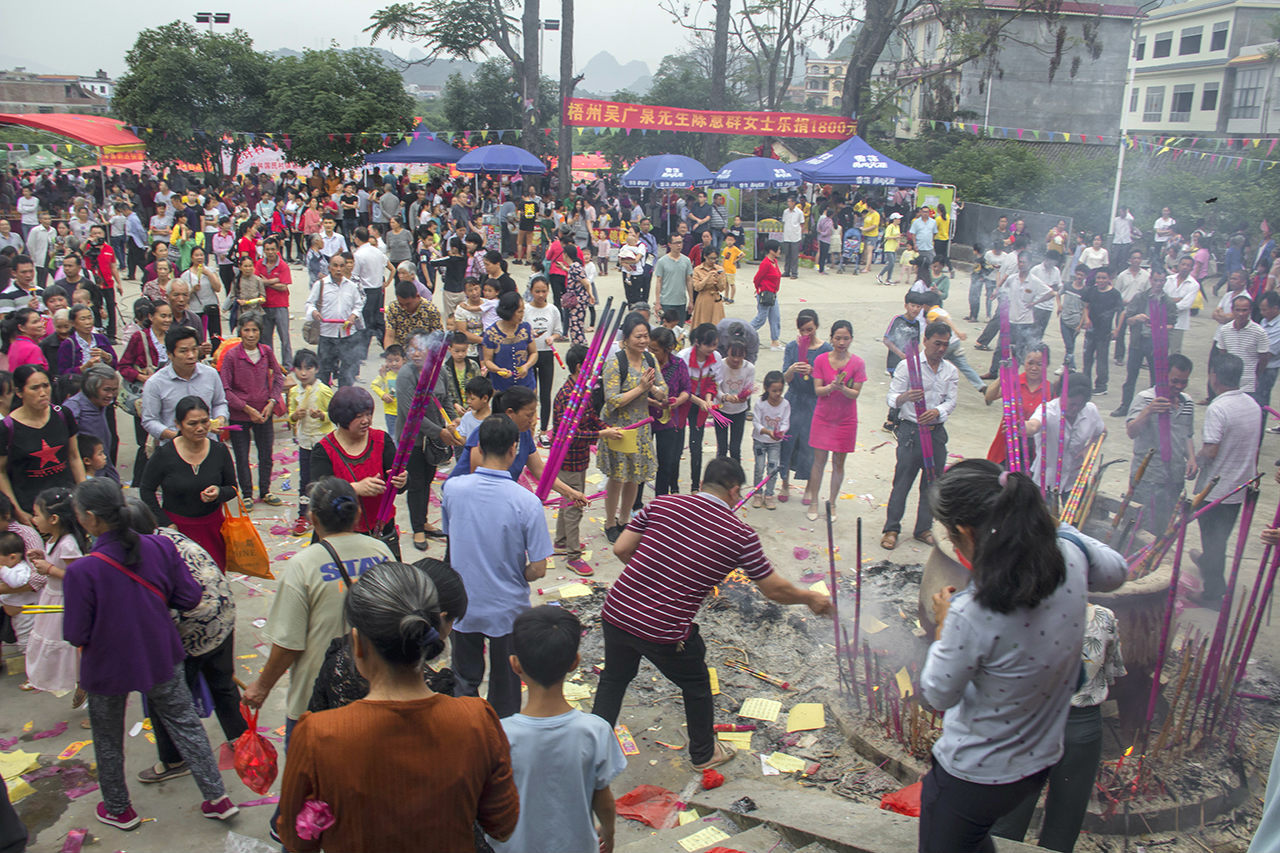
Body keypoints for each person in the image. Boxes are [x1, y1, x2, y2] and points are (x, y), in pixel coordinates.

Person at [919, 460, 1126, 853]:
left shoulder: (972, 609)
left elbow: (938, 695)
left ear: (964, 532)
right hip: (1039, 761)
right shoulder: (1069, 553)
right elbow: (1117, 572)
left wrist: (944, 626)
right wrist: (1055, 529)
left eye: (950, 532)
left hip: (973, 775)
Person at [592, 457, 832, 769]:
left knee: (613, 678)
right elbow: (773, 590)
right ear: (735, 491)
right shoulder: (740, 534)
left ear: (702, 484)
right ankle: (704, 753)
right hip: (662, 628)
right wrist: (809, 598)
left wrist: (656, 578)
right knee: (696, 683)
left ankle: (592, 748)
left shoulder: (662, 503)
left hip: (618, 610)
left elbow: (621, 549)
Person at [277, 560, 518, 852]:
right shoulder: (476, 719)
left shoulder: (317, 736)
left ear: (357, 644)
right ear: (434, 630)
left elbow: (296, 839)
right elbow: (502, 824)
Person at [64, 478, 238, 830]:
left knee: (108, 737)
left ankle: (118, 809)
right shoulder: (160, 547)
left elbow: (75, 633)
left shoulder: (83, 570)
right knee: (186, 723)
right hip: (160, 651)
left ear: (92, 519)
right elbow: (189, 597)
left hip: (106, 665)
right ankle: (218, 798)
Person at [241, 476, 396, 743]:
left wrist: (262, 687)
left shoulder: (303, 566)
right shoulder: (381, 552)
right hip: (375, 689)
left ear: (313, 519)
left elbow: (288, 643)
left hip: (318, 696)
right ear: (358, 513)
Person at [127, 497, 246, 785]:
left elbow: (167, 610)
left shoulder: (144, 556)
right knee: (223, 684)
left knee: (165, 698)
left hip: (194, 627)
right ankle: (240, 741)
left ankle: (173, 759)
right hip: (222, 614)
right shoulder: (170, 534)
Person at [442, 416, 554, 717]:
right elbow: (540, 568)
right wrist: (518, 574)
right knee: (505, 688)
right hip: (508, 608)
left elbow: (452, 535)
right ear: (513, 449)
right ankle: (501, 741)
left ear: (478, 447)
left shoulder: (453, 489)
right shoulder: (526, 501)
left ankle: (466, 735)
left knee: (464, 679)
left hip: (464, 603)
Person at [492, 606, 626, 853]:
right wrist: (609, 832)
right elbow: (602, 797)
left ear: (515, 665)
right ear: (575, 662)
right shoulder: (596, 730)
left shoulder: (498, 735)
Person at [880, 322, 958, 551]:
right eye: (937, 343)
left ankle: (923, 528)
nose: (941, 349)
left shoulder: (950, 370)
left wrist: (938, 412)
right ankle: (891, 528)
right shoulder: (907, 366)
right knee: (902, 482)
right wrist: (904, 397)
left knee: (932, 484)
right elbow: (891, 397)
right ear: (926, 340)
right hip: (911, 431)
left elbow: (951, 401)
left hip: (936, 433)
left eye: (945, 344)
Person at [140, 395, 238, 569]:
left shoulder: (219, 451)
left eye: (204, 422)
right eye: (192, 424)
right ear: (178, 424)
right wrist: (165, 523)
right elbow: (146, 490)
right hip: (177, 530)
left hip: (212, 528)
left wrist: (218, 492)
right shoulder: (164, 455)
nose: (200, 428)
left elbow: (232, 488)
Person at [1195, 353, 1262, 606]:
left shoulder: (1218, 408)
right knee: (1218, 538)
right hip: (1239, 487)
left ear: (1214, 376)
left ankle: (1213, 593)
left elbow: (1211, 450)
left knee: (1213, 541)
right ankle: (1205, 562)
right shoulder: (1253, 405)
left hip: (1215, 489)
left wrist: (1195, 461)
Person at [311, 387, 407, 557]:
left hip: (381, 528)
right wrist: (354, 488)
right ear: (342, 418)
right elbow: (318, 493)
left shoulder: (381, 440)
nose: (366, 421)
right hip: (341, 534)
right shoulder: (324, 450)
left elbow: (397, 485)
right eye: (358, 417)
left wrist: (401, 480)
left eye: (368, 414)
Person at [598, 315, 668, 543]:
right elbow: (612, 400)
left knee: (634, 477)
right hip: (619, 429)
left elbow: (662, 385)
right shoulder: (616, 362)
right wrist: (641, 389)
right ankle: (610, 521)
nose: (643, 340)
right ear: (626, 339)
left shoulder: (649, 358)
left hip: (640, 428)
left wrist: (657, 391)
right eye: (638, 336)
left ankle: (624, 520)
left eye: (646, 336)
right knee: (618, 477)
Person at [0, 365, 86, 522]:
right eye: (34, 388)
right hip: (31, 510)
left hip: (67, 503)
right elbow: (1, 472)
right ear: (20, 392)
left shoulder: (63, 415)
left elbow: (74, 457)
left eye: (46, 386)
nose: (43, 393)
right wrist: (17, 510)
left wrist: (83, 495)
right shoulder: (7, 428)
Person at [1125, 353, 1196, 536]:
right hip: (1148, 476)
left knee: (1167, 527)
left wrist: (1192, 459)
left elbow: (1187, 434)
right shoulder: (1145, 398)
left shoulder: (1187, 402)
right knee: (1142, 529)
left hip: (1174, 477)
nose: (1179, 387)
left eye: (1184, 382)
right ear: (1163, 377)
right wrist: (1148, 412)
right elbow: (1131, 431)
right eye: (1175, 381)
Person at [220, 312, 285, 506]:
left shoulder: (266, 352)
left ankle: (265, 491)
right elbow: (225, 388)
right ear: (240, 331)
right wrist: (246, 408)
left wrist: (272, 402)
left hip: (264, 413)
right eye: (246, 330)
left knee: (266, 453)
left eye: (254, 330)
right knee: (241, 455)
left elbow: (279, 377)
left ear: (260, 332)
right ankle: (247, 493)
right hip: (240, 414)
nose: (250, 334)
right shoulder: (231, 356)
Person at [806, 320, 866, 520]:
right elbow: (817, 390)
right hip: (823, 417)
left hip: (845, 419)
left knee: (839, 463)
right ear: (831, 338)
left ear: (851, 339)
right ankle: (814, 501)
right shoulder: (822, 360)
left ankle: (832, 503)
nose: (841, 342)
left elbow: (855, 394)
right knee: (819, 462)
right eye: (838, 338)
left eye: (846, 338)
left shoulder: (857, 363)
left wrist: (842, 388)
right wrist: (831, 387)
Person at [140, 326, 228, 445]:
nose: (191, 355)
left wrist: (220, 419)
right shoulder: (155, 383)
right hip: (174, 449)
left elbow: (219, 403)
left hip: (208, 445)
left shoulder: (210, 374)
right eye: (183, 351)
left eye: (194, 349)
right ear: (170, 354)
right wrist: (178, 436)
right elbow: (149, 420)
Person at [305, 251, 365, 388]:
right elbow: (309, 303)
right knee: (324, 371)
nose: (338, 269)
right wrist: (314, 312)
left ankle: (343, 400)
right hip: (327, 335)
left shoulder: (351, 286)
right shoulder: (320, 285)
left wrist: (353, 316)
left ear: (346, 268)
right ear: (329, 268)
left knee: (347, 372)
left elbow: (358, 305)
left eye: (341, 266)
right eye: (335, 266)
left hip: (346, 335)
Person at [648, 328, 691, 499]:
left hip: (668, 420)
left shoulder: (679, 365)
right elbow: (637, 391)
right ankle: (635, 505)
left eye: (655, 350)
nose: (651, 353)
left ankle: (661, 502)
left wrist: (676, 402)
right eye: (649, 349)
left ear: (668, 349)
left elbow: (686, 390)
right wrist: (654, 402)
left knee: (666, 464)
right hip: (647, 419)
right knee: (643, 462)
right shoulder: (646, 364)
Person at [1211, 294, 1271, 399]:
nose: (1241, 314)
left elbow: (1263, 359)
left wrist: (1256, 376)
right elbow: (1223, 355)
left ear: (1250, 311)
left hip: (1248, 385)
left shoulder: (1259, 332)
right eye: (1237, 310)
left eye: (1244, 310)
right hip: (1228, 384)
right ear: (1232, 310)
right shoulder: (1225, 330)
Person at [751, 371, 790, 510]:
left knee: (772, 469)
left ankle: (769, 495)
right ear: (767, 388)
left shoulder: (785, 404)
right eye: (774, 390)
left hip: (775, 443)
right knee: (759, 467)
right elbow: (756, 422)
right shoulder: (760, 403)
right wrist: (768, 432)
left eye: (780, 390)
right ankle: (757, 493)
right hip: (760, 441)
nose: (777, 393)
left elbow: (785, 422)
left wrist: (781, 432)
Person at [1081, 268, 1123, 395]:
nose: (1101, 280)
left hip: (1104, 332)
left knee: (1102, 359)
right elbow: (1085, 307)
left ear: (1109, 279)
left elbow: (1121, 312)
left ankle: (1101, 385)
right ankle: (1085, 383)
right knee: (1087, 358)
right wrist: (1086, 319)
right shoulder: (1091, 291)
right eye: (1098, 278)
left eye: (1104, 278)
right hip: (1091, 331)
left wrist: (1117, 329)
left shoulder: (1114, 294)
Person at [255, 235, 293, 367]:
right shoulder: (259, 264)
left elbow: (283, 287)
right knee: (266, 338)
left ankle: (287, 365)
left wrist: (265, 282)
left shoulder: (283, 266)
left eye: (272, 249)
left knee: (284, 338)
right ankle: (269, 364)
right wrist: (274, 281)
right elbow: (256, 282)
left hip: (280, 305)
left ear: (277, 250)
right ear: (263, 250)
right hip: (264, 305)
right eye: (267, 249)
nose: (270, 252)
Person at [57, 304, 118, 378]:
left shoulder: (101, 339)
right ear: (72, 323)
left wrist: (107, 357)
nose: (88, 322)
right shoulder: (68, 344)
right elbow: (63, 373)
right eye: (83, 319)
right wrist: (84, 368)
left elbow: (115, 365)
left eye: (90, 318)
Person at [653, 235, 694, 325]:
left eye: (680, 242)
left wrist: (691, 300)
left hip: (681, 302)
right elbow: (659, 282)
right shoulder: (662, 261)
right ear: (670, 245)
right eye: (676, 243)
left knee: (679, 329)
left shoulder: (686, 261)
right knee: (665, 330)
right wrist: (658, 302)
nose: (679, 245)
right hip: (666, 301)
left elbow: (689, 281)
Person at [1163, 256, 1199, 355]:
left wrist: (1168, 302)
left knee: (1175, 351)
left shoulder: (1193, 284)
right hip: (1163, 319)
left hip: (1179, 322)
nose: (1185, 267)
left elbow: (1185, 305)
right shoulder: (1168, 279)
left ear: (1191, 268)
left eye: (1188, 265)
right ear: (1178, 265)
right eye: (1183, 264)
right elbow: (1160, 298)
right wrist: (1175, 300)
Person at [690, 247, 727, 328]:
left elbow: (722, 288)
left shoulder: (720, 269)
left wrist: (719, 279)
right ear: (705, 256)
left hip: (715, 300)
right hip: (703, 300)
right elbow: (697, 287)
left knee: (717, 325)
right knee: (702, 325)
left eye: (715, 259)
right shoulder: (697, 269)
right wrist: (707, 277)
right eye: (711, 258)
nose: (713, 261)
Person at [780, 197, 804, 278]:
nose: (788, 203)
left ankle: (794, 272)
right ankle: (786, 271)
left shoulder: (799, 212)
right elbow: (784, 222)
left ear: (794, 202)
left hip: (795, 236)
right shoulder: (785, 212)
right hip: (787, 235)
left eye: (789, 201)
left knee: (794, 256)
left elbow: (802, 224)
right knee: (787, 254)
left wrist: (800, 233)